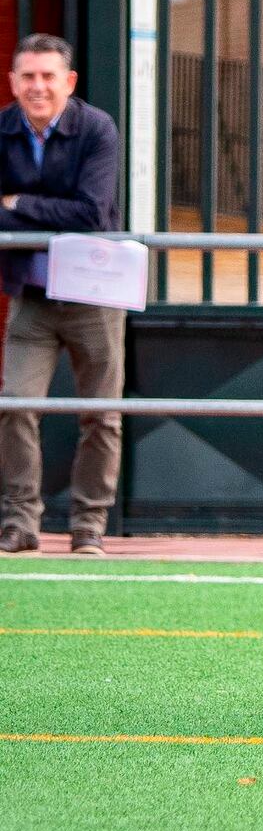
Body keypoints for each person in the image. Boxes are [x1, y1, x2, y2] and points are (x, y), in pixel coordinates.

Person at [0, 33, 125, 556]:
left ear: (69, 82)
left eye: (48, 76)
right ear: (12, 81)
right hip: (31, 292)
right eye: (27, 76)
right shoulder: (2, 129)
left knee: (100, 413)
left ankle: (88, 525)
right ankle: (19, 522)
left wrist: (17, 202)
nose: (37, 86)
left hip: (93, 293)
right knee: (14, 406)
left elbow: (92, 212)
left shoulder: (95, 128)